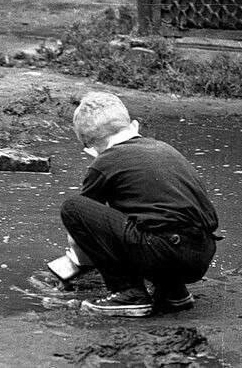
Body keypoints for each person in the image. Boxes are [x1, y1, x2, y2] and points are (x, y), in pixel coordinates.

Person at [52, 91, 220, 317]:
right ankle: (173, 291)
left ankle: (129, 293)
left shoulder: (105, 162)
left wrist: (72, 265)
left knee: (73, 208)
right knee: (148, 218)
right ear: (134, 125)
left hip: (164, 252)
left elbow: (83, 232)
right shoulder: (165, 149)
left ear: (90, 147)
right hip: (201, 253)